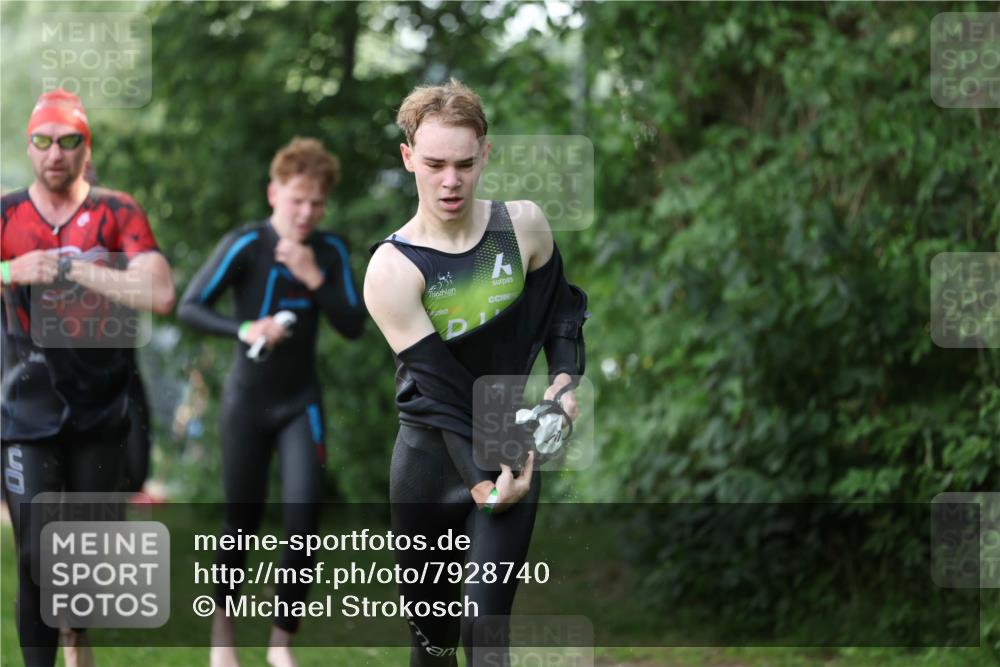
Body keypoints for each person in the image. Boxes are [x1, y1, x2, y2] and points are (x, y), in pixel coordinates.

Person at [364, 79, 588, 667]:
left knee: (486, 635)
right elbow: (440, 393)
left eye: (464, 164)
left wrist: (565, 380)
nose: (450, 181)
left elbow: (561, 311)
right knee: (433, 649)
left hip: (509, 446)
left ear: (485, 154)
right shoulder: (393, 268)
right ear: (408, 156)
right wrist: (482, 480)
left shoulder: (522, 227)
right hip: (427, 466)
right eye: (434, 164)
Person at [1, 89, 176, 667]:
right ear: (30, 146)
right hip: (26, 409)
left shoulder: (117, 212)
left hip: (101, 411)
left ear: (86, 148)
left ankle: (77, 636)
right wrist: (11, 269)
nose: (56, 153)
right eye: (43, 141)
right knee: (35, 553)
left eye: (69, 141)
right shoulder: (6, 214)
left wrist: (78, 269)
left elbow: (160, 292)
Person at [177, 137, 365, 667]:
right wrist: (245, 328)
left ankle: (280, 645)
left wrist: (313, 276)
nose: (306, 213)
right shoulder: (246, 244)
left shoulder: (329, 251)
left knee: (304, 519)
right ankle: (223, 637)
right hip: (247, 403)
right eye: (297, 200)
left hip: (300, 403)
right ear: (273, 193)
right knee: (242, 520)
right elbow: (190, 307)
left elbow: (353, 325)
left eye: (317, 203)